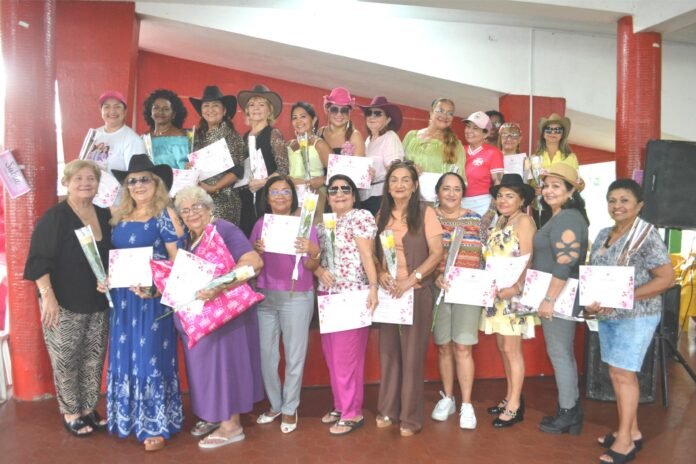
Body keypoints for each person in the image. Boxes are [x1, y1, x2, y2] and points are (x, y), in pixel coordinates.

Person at [586, 179, 674, 464]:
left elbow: (666, 279)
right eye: (612, 200)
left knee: (624, 374)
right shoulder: (604, 234)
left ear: (639, 205)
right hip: (609, 315)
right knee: (617, 373)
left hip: (637, 316)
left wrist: (625, 296)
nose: (617, 206)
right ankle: (632, 431)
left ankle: (624, 442)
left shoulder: (646, 235)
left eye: (624, 200)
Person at [24, 160, 111, 437]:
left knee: (93, 358)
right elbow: (38, 261)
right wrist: (47, 297)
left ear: (98, 184)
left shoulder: (104, 214)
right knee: (66, 359)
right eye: (78, 179)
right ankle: (71, 412)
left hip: (98, 301)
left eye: (91, 178)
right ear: (67, 183)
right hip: (63, 302)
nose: (85, 183)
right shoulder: (56, 217)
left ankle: (88, 409)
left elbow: (111, 256)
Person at [174, 186, 265, 448]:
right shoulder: (188, 239)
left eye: (197, 207)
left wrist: (221, 285)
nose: (191, 213)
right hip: (201, 319)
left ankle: (231, 427)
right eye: (185, 210)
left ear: (209, 207)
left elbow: (253, 262)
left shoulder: (224, 229)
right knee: (206, 369)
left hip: (226, 316)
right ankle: (216, 416)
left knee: (225, 369)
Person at [105, 154, 184, 451]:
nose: (138, 185)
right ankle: (127, 417)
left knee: (149, 354)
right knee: (125, 355)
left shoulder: (165, 214)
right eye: (132, 181)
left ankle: (154, 423)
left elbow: (178, 261)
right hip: (122, 299)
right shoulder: (119, 216)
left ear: (156, 183)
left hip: (152, 299)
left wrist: (156, 288)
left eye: (144, 179)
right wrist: (106, 279)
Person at [375, 160, 444, 437]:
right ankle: (387, 410)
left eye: (405, 180)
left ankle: (411, 418)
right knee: (389, 353)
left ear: (415, 185)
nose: (399, 185)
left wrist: (411, 279)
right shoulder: (382, 214)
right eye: (394, 180)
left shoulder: (426, 213)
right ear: (388, 186)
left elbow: (437, 253)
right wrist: (381, 273)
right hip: (389, 294)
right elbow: (375, 255)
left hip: (415, 292)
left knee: (413, 356)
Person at [250, 176, 320, 434]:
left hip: (296, 296)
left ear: (293, 197)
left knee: (294, 355)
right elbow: (251, 264)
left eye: (285, 191)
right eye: (274, 192)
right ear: (267, 198)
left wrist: (312, 250)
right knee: (267, 355)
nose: (280, 196)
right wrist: (256, 251)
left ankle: (290, 407)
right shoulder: (261, 224)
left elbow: (312, 265)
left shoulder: (305, 224)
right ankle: (276, 404)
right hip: (265, 296)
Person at [314, 175, 379, 435]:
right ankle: (341, 405)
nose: (339, 194)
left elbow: (367, 254)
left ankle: (352, 413)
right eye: (334, 190)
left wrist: (373, 287)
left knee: (346, 359)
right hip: (327, 295)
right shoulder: (323, 225)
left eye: (345, 189)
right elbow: (316, 260)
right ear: (328, 197)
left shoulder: (360, 217)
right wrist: (319, 271)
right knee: (333, 357)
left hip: (351, 294)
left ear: (354, 194)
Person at [532, 163, 589, 435]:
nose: (549, 190)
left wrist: (549, 298)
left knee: (560, 352)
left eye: (556, 186)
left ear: (571, 191)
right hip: (557, 294)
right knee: (562, 351)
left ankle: (568, 411)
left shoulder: (568, 218)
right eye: (546, 185)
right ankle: (571, 408)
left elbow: (566, 261)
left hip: (560, 296)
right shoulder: (558, 216)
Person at [481, 174, 537, 428]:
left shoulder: (524, 221)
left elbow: (529, 259)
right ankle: (510, 396)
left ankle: (515, 405)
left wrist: (516, 287)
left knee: (512, 350)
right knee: (503, 347)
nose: (503, 200)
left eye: (510, 196)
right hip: (497, 295)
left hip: (514, 296)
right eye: (500, 196)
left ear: (521, 200)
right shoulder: (501, 221)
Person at [430, 172, 484, 430]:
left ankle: (467, 404)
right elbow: (424, 253)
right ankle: (448, 398)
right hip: (439, 289)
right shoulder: (430, 217)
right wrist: (434, 276)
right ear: (437, 192)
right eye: (446, 188)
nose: (451, 194)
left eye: (457, 189)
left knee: (463, 347)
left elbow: (486, 256)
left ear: (463, 193)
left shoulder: (475, 219)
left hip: (468, 292)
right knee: (443, 345)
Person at [189, 85, 247, 227]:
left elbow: (237, 171)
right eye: (206, 105)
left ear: (224, 110)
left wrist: (214, 187)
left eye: (215, 105)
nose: (210, 109)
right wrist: (189, 168)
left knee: (220, 237)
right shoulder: (197, 137)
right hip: (199, 201)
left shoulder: (232, 136)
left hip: (224, 202)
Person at [237, 84, 289, 235]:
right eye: (252, 105)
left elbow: (284, 169)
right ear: (247, 111)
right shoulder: (245, 137)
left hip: (266, 197)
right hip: (246, 197)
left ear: (269, 110)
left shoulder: (274, 134)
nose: (256, 108)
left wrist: (262, 182)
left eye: (261, 104)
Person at [357, 96, 405, 215]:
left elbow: (395, 170)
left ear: (388, 119)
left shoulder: (390, 137)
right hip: (364, 196)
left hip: (381, 197)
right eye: (369, 113)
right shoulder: (368, 140)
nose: (372, 117)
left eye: (378, 114)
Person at [287, 102, 331, 221]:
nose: (298, 121)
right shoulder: (289, 144)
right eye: (294, 118)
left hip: (314, 194)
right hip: (292, 196)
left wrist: (322, 180)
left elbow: (336, 173)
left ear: (314, 120)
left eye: (303, 116)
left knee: (311, 228)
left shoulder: (319, 144)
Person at [84, 90, 146, 173]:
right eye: (107, 107)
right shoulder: (94, 134)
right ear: (101, 110)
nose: (112, 111)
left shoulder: (133, 140)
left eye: (117, 107)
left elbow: (137, 175)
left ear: (125, 111)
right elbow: (82, 164)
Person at [402, 98, 465, 176]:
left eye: (450, 113)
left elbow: (459, 177)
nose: (445, 116)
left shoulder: (456, 145)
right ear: (431, 113)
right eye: (440, 111)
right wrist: (409, 168)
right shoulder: (411, 136)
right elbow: (398, 166)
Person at [461, 111, 504, 222]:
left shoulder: (494, 153)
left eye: (475, 128)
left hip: (483, 205)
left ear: (485, 134)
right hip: (459, 204)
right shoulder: (459, 151)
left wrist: (491, 211)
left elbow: (498, 185)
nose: (469, 131)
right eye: (468, 126)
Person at [142, 89, 189, 169]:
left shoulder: (179, 138)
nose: (160, 112)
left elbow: (184, 168)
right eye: (156, 108)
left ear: (173, 114)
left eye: (166, 109)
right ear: (150, 112)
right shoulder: (145, 137)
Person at [318, 87, 365, 156]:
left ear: (349, 113)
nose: (339, 114)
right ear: (328, 110)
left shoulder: (355, 136)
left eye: (344, 110)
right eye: (334, 109)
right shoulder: (321, 132)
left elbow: (358, 162)